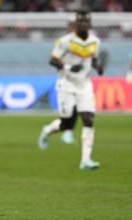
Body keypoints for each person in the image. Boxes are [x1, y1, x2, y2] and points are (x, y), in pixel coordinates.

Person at [38, 10, 104, 170]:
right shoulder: (65, 41)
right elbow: (53, 60)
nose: (83, 24)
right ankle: (47, 130)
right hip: (66, 83)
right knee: (67, 124)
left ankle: (85, 160)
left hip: (84, 84)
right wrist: (68, 67)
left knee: (88, 119)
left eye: (86, 21)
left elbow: (93, 58)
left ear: (89, 23)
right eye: (80, 21)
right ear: (75, 23)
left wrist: (97, 66)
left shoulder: (95, 41)